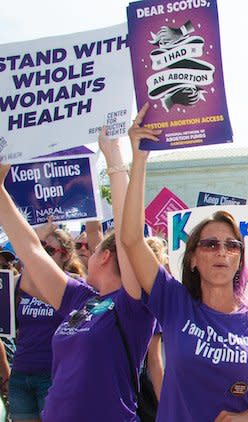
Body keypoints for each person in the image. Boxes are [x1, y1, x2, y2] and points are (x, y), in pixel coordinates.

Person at [121, 104, 248, 422]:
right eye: (209, 244)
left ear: (240, 259)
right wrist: (138, 160)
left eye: (231, 246)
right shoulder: (175, 302)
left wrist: (247, 418)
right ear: (193, 258)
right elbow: (131, 241)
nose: (221, 252)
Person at [0, 126, 155, 421]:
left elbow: (128, 238)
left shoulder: (133, 306)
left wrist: (115, 160)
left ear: (106, 256)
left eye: (93, 248)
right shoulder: (80, 298)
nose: (86, 252)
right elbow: (32, 251)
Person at [8, 227, 85, 422]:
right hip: (21, 373)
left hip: (51, 375)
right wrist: (36, 239)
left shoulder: (75, 286)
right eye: (41, 248)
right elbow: (29, 268)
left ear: (65, 255)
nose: (43, 254)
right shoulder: (22, 283)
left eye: (49, 250)